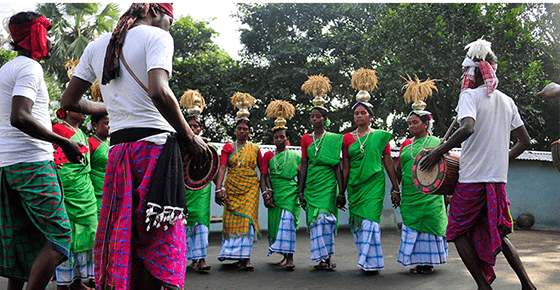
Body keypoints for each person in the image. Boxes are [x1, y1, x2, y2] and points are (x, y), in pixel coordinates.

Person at [60, 3, 210, 290]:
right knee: (158, 240)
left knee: (125, 236)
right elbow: (159, 91)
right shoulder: (158, 37)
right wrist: (190, 137)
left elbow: (68, 102)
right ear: (155, 13)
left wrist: (112, 107)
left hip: (119, 152)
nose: (169, 26)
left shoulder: (97, 45)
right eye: (170, 20)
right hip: (155, 150)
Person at [420, 39, 536, 290]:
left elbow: (468, 127)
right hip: (497, 181)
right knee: (499, 233)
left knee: (457, 231)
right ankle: (527, 285)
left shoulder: (469, 96)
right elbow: (525, 141)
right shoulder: (507, 101)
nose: (463, 75)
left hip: (471, 179)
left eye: (464, 71)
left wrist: (439, 151)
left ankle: (484, 287)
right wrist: (499, 161)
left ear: (472, 72)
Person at [0, 11, 82, 290]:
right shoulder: (29, 68)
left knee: (26, 240)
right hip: (31, 163)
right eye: (44, 31)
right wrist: (64, 142)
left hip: (8, 165)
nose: (49, 37)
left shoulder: (6, 70)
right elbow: (19, 116)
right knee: (60, 236)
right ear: (34, 34)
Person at [340, 100, 399, 274]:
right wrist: (341, 192)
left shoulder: (380, 136)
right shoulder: (347, 138)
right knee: (358, 223)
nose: (359, 116)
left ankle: (371, 261)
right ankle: (366, 259)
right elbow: (346, 166)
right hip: (355, 186)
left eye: (363, 113)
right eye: (356, 113)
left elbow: (388, 162)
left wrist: (396, 187)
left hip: (374, 184)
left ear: (371, 117)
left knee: (370, 223)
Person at [395, 110, 448, 274]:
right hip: (410, 194)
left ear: (426, 124)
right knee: (412, 227)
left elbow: (445, 168)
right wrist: (395, 188)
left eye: (415, 122)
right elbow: (399, 169)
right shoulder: (406, 144)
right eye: (409, 123)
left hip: (430, 194)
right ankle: (417, 261)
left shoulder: (437, 142)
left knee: (428, 225)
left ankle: (427, 263)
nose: (411, 126)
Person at [52, 109, 97, 290]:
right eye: (81, 109)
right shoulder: (57, 129)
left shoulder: (82, 133)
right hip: (67, 188)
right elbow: (49, 153)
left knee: (89, 232)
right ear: (68, 109)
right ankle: (63, 284)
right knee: (69, 235)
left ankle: (77, 281)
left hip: (85, 189)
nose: (86, 112)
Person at [215, 105, 264, 270]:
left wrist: (266, 191)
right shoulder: (228, 148)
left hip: (250, 188)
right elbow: (222, 168)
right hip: (231, 188)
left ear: (249, 132)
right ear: (235, 130)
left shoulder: (255, 149)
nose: (242, 131)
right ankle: (237, 257)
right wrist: (218, 188)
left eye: (245, 129)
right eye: (239, 128)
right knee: (232, 222)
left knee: (247, 222)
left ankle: (246, 258)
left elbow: (263, 172)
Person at [261, 100, 301, 270]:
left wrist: (301, 192)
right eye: (276, 137)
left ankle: (290, 259)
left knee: (288, 226)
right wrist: (266, 193)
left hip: (290, 194)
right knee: (278, 226)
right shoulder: (268, 156)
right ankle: (284, 257)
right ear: (273, 139)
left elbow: (301, 175)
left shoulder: (295, 156)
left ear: (287, 139)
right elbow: (264, 176)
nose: (279, 139)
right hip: (275, 194)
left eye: (282, 137)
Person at [180, 90, 214, 272]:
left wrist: (219, 188)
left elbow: (213, 168)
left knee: (200, 222)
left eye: (197, 126)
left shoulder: (208, 146)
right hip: (184, 189)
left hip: (201, 189)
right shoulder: (179, 145)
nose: (194, 129)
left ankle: (201, 259)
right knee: (185, 224)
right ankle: (188, 259)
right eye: (191, 126)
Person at [87, 112, 110, 217]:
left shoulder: (114, 143)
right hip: (96, 192)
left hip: (113, 190)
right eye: (107, 123)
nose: (110, 126)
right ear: (95, 125)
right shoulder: (89, 144)